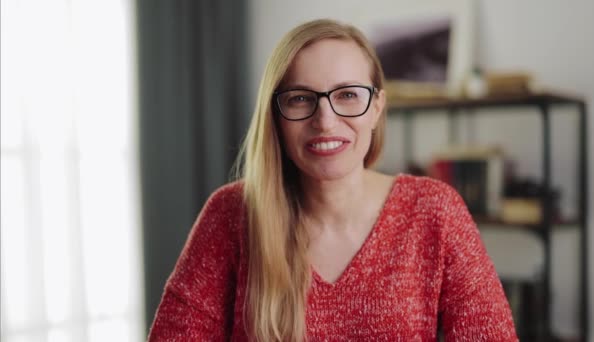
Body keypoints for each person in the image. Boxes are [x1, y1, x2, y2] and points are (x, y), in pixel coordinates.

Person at [148, 19, 517, 341]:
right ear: (275, 115)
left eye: (347, 95)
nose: (325, 120)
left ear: (376, 108)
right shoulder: (231, 214)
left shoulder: (434, 210)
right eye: (299, 99)